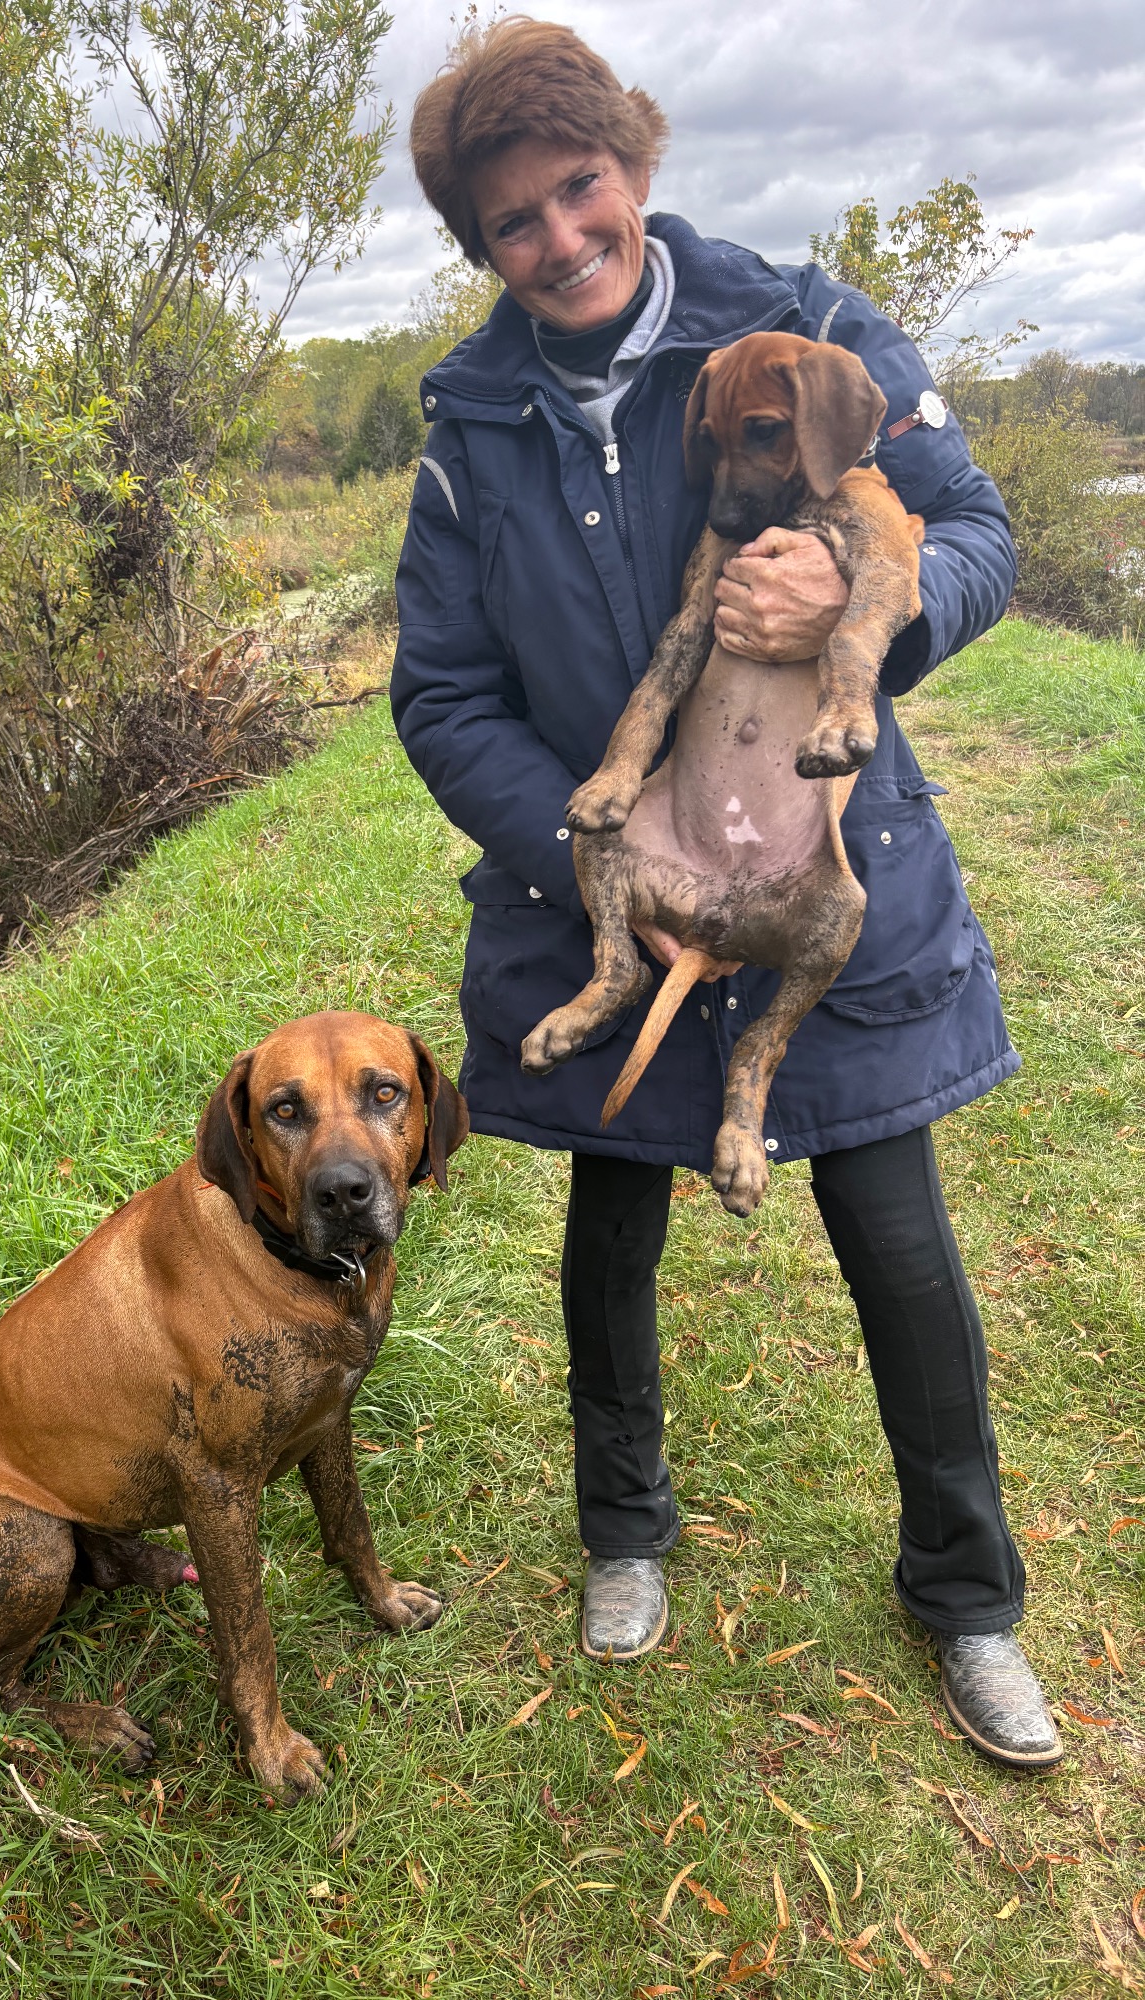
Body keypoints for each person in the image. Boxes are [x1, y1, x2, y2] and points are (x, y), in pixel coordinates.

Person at [391, 18, 1061, 1770]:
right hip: (610, 877)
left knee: (897, 1236)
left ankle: (969, 1595)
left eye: (581, 187)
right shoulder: (469, 433)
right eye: (514, 220)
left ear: (634, 163)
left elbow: (979, 535)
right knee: (610, 1232)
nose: (562, 238)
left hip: (828, 859)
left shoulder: (807, 325)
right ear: (482, 246)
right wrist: (594, 855)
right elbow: (442, 696)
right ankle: (625, 1534)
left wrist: (870, 618)